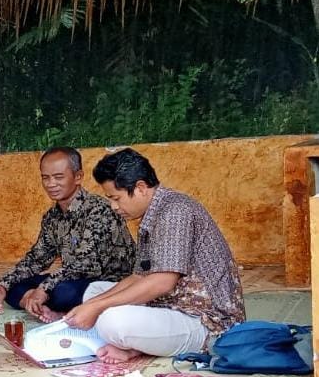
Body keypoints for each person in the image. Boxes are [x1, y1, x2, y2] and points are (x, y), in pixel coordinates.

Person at [64, 148, 246, 362]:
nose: (114, 206)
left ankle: (136, 343)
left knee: (112, 320)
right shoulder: (153, 213)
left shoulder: (175, 212)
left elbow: (162, 283)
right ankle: (138, 344)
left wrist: (97, 307)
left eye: (116, 198)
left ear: (140, 188)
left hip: (206, 323)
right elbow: (139, 276)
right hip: (171, 304)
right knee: (94, 291)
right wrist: (92, 305)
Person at [0, 147, 135, 322]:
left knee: (63, 292)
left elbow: (85, 265)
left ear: (78, 176)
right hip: (72, 278)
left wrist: (44, 289)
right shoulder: (52, 216)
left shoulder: (99, 210)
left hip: (108, 284)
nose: (51, 184)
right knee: (15, 286)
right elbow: (37, 258)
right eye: (45, 177)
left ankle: (52, 306)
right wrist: (2, 286)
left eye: (58, 177)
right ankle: (39, 306)